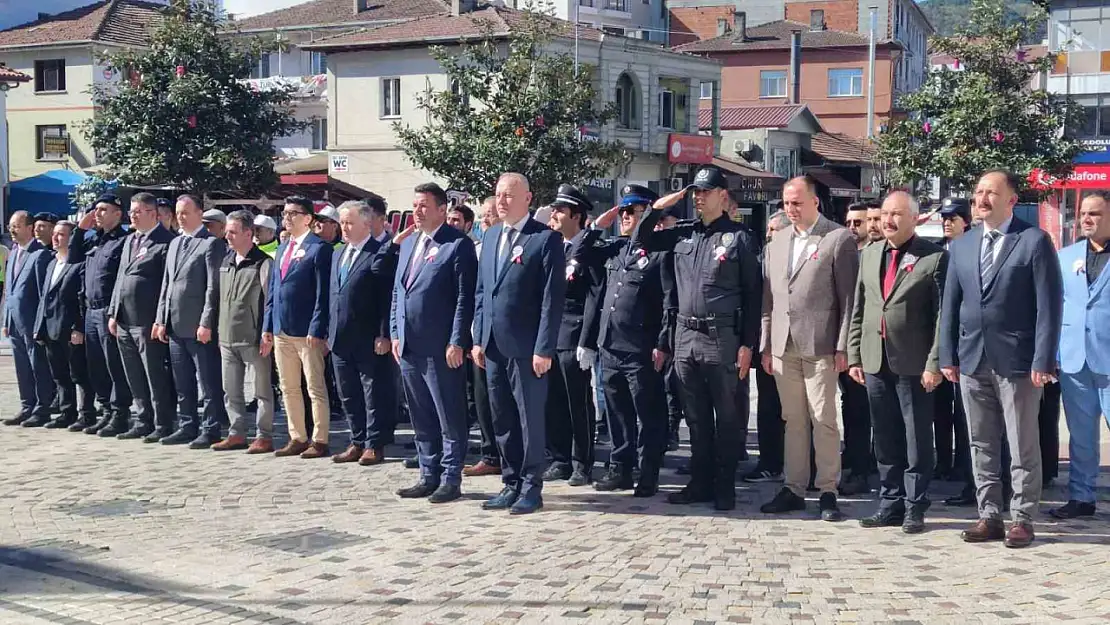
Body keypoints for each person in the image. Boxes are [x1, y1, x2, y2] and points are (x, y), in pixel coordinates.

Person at [939, 169, 1063, 549]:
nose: (981, 198)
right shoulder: (962, 245)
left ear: (1011, 199)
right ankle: (989, 514)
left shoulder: (1033, 241)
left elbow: (1049, 305)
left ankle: (1023, 518)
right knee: (981, 442)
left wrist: (1043, 359)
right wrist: (948, 353)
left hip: (1019, 361)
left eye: (991, 192)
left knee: (1023, 442)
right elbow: (951, 305)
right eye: (978, 191)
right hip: (972, 357)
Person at [637, 168, 762, 510]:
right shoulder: (682, 235)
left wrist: (748, 344)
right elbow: (643, 239)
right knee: (695, 417)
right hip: (685, 335)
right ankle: (700, 481)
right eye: (695, 191)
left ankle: (724, 486)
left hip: (722, 336)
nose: (698, 197)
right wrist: (659, 208)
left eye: (706, 191)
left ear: (723, 195)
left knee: (726, 415)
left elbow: (754, 296)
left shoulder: (740, 238)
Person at [759, 175, 859, 522]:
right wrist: (766, 345)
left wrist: (844, 344)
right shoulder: (777, 242)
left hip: (822, 344)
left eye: (798, 202)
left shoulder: (837, 238)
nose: (791, 209)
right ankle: (794, 487)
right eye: (787, 203)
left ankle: (828, 488)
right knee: (793, 419)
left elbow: (849, 299)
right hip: (783, 345)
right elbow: (769, 300)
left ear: (815, 201)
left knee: (824, 418)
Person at [848, 191, 947, 534]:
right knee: (886, 438)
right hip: (876, 361)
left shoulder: (933, 258)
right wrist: (855, 354)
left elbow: (941, 318)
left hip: (914, 364)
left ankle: (915, 505)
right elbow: (859, 309)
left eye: (897, 214)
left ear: (915, 218)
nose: (888, 220)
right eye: (885, 214)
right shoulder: (871, 254)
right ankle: (889, 502)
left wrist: (934, 363)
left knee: (917, 438)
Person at [472, 173, 566, 515]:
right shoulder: (492, 234)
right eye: (498, 195)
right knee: (502, 418)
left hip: (527, 349)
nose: (501, 201)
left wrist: (544, 347)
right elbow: (483, 292)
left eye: (509, 195)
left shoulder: (544, 240)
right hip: (493, 346)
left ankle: (531, 487)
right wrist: (479, 338)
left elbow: (550, 300)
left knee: (529, 420)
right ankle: (510, 482)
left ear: (527, 198)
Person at [578, 185, 672, 496]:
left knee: (648, 415)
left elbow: (670, 302)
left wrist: (662, 343)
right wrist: (597, 226)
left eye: (631, 212)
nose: (624, 217)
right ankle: (620, 468)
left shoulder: (660, 252)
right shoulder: (615, 248)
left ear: (646, 213)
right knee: (617, 415)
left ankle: (648, 472)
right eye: (622, 211)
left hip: (641, 348)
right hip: (610, 345)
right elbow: (578, 253)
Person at [389, 184, 476, 502]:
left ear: (442, 209)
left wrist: (457, 341)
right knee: (421, 416)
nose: (418, 210)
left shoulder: (457, 245)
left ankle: (451, 477)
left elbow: (465, 298)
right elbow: (399, 292)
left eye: (425, 205)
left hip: (442, 348)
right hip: (410, 346)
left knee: (448, 416)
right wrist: (395, 333)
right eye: (415, 204)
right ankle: (429, 473)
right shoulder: (410, 242)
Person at [1049, 192, 1110, 519]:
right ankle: (1081, 498)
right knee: (1081, 436)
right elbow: (1055, 307)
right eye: (1084, 213)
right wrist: (1054, 354)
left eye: (1095, 213)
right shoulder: (1065, 256)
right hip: (1074, 361)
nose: (1087, 219)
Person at [154, 195, 229, 447]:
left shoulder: (211, 244)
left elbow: (212, 287)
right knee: (182, 381)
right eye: (178, 213)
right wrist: (160, 319)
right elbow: (167, 284)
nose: (181, 217)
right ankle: (187, 425)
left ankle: (211, 427)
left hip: (198, 326)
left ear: (200, 213)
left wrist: (206, 322)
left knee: (208, 381)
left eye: (186, 212)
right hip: (175, 325)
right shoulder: (175, 243)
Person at [262, 196, 333, 458]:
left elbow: (322, 294)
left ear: (308, 218)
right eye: (285, 212)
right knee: (288, 386)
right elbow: (274, 289)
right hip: (281, 329)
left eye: (293, 213)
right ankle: (297, 436)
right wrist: (268, 325)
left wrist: (317, 327)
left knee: (314, 386)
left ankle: (320, 438)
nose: (287, 218)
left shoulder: (319, 249)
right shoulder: (283, 248)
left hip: (306, 331)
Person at [329, 200, 399, 466]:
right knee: (349, 393)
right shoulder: (338, 254)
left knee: (373, 394)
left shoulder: (378, 253)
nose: (344, 228)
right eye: (342, 223)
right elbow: (332, 295)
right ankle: (357, 440)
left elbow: (385, 297)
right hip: (340, 336)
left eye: (349, 223)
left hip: (369, 337)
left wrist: (384, 334)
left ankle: (374, 444)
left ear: (366, 224)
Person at [541, 184, 599, 487]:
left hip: (574, 334)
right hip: (552, 335)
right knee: (554, 402)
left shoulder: (589, 247)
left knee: (578, 403)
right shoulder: (555, 246)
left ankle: (582, 462)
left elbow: (593, 296)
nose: (554, 214)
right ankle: (560, 458)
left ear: (576, 215)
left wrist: (587, 340)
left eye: (560, 210)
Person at [107, 192, 177, 441]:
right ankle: (143, 418)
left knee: (154, 374)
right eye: (131, 212)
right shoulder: (129, 241)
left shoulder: (166, 242)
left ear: (152, 213)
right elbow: (120, 279)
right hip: (125, 319)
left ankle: (163, 422)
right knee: (134, 374)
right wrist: (113, 312)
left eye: (137, 212)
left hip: (147, 321)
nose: (132, 216)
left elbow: (166, 286)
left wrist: (160, 319)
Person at [68, 196, 133, 435]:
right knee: (96, 366)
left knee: (114, 365)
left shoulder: (124, 241)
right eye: (95, 209)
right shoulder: (94, 239)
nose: (97, 213)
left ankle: (120, 414)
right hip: (90, 310)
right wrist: (80, 228)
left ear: (118, 214)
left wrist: (114, 312)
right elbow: (73, 258)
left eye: (103, 209)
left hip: (109, 310)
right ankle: (105, 410)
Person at [214, 210, 275, 453]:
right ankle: (236, 433)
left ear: (248, 233)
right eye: (227, 231)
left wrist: (266, 332)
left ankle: (264, 435)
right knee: (231, 391)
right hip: (227, 337)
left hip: (254, 338)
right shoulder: (226, 261)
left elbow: (270, 300)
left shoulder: (263, 263)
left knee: (262, 392)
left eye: (232, 232)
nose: (227, 236)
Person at [34, 220, 97, 430]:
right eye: (55, 234)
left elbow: (82, 299)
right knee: (59, 374)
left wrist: (78, 327)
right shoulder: (51, 263)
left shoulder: (78, 265)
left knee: (78, 373)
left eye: (61, 234)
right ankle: (66, 412)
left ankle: (87, 413)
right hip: (51, 327)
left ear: (71, 239)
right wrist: (39, 328)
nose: (56, 237)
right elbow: (45, 298)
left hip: (70, 328)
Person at [934, 197, 976, 506]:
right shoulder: (937, 250)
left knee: (967, 417)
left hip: (970, 345)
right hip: (940, 344)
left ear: (967, 220)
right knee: (940, 410)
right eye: (945, 217)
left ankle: (968, 472)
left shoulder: (976, 248)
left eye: (954, 217)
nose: (947, 222)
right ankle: (943, 463)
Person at [742, 209, 790, 484]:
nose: (769, 234)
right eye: (769, 230)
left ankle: (794, 464)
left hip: (792, 344)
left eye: (775, 230)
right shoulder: (762, 259)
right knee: (768, 406)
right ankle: (769, 461)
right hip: (766, 344)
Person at [2, 211, 55, 427]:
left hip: (32, 322)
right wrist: (6, 320)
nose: (12, 230)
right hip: (14, 321)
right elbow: (10, 289)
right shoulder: (14, 253)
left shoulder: (40, 254)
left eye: (16, 226)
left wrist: (41, 323)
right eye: (10, 226)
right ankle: (27, 406)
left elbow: (44, 293)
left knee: (38, 366)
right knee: (22, 367)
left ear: (30, 227)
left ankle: (43, 408)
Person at [837, 202, 875, 496]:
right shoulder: (844, 255)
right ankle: (854, 463)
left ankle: (865, 467)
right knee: (852, 409)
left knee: (871, 412)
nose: (853, 228)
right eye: (849, 222)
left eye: (858, 223)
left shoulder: (875, 257)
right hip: (847, 347)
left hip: (876, 347)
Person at [464, 196, 503, 478]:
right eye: (482, 216)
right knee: (482, 399)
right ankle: (490, 453)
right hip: (479, 336)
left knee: (504, 401)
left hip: (507, 339)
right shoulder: (479, 249)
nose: (484, 221)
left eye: (489, 215)